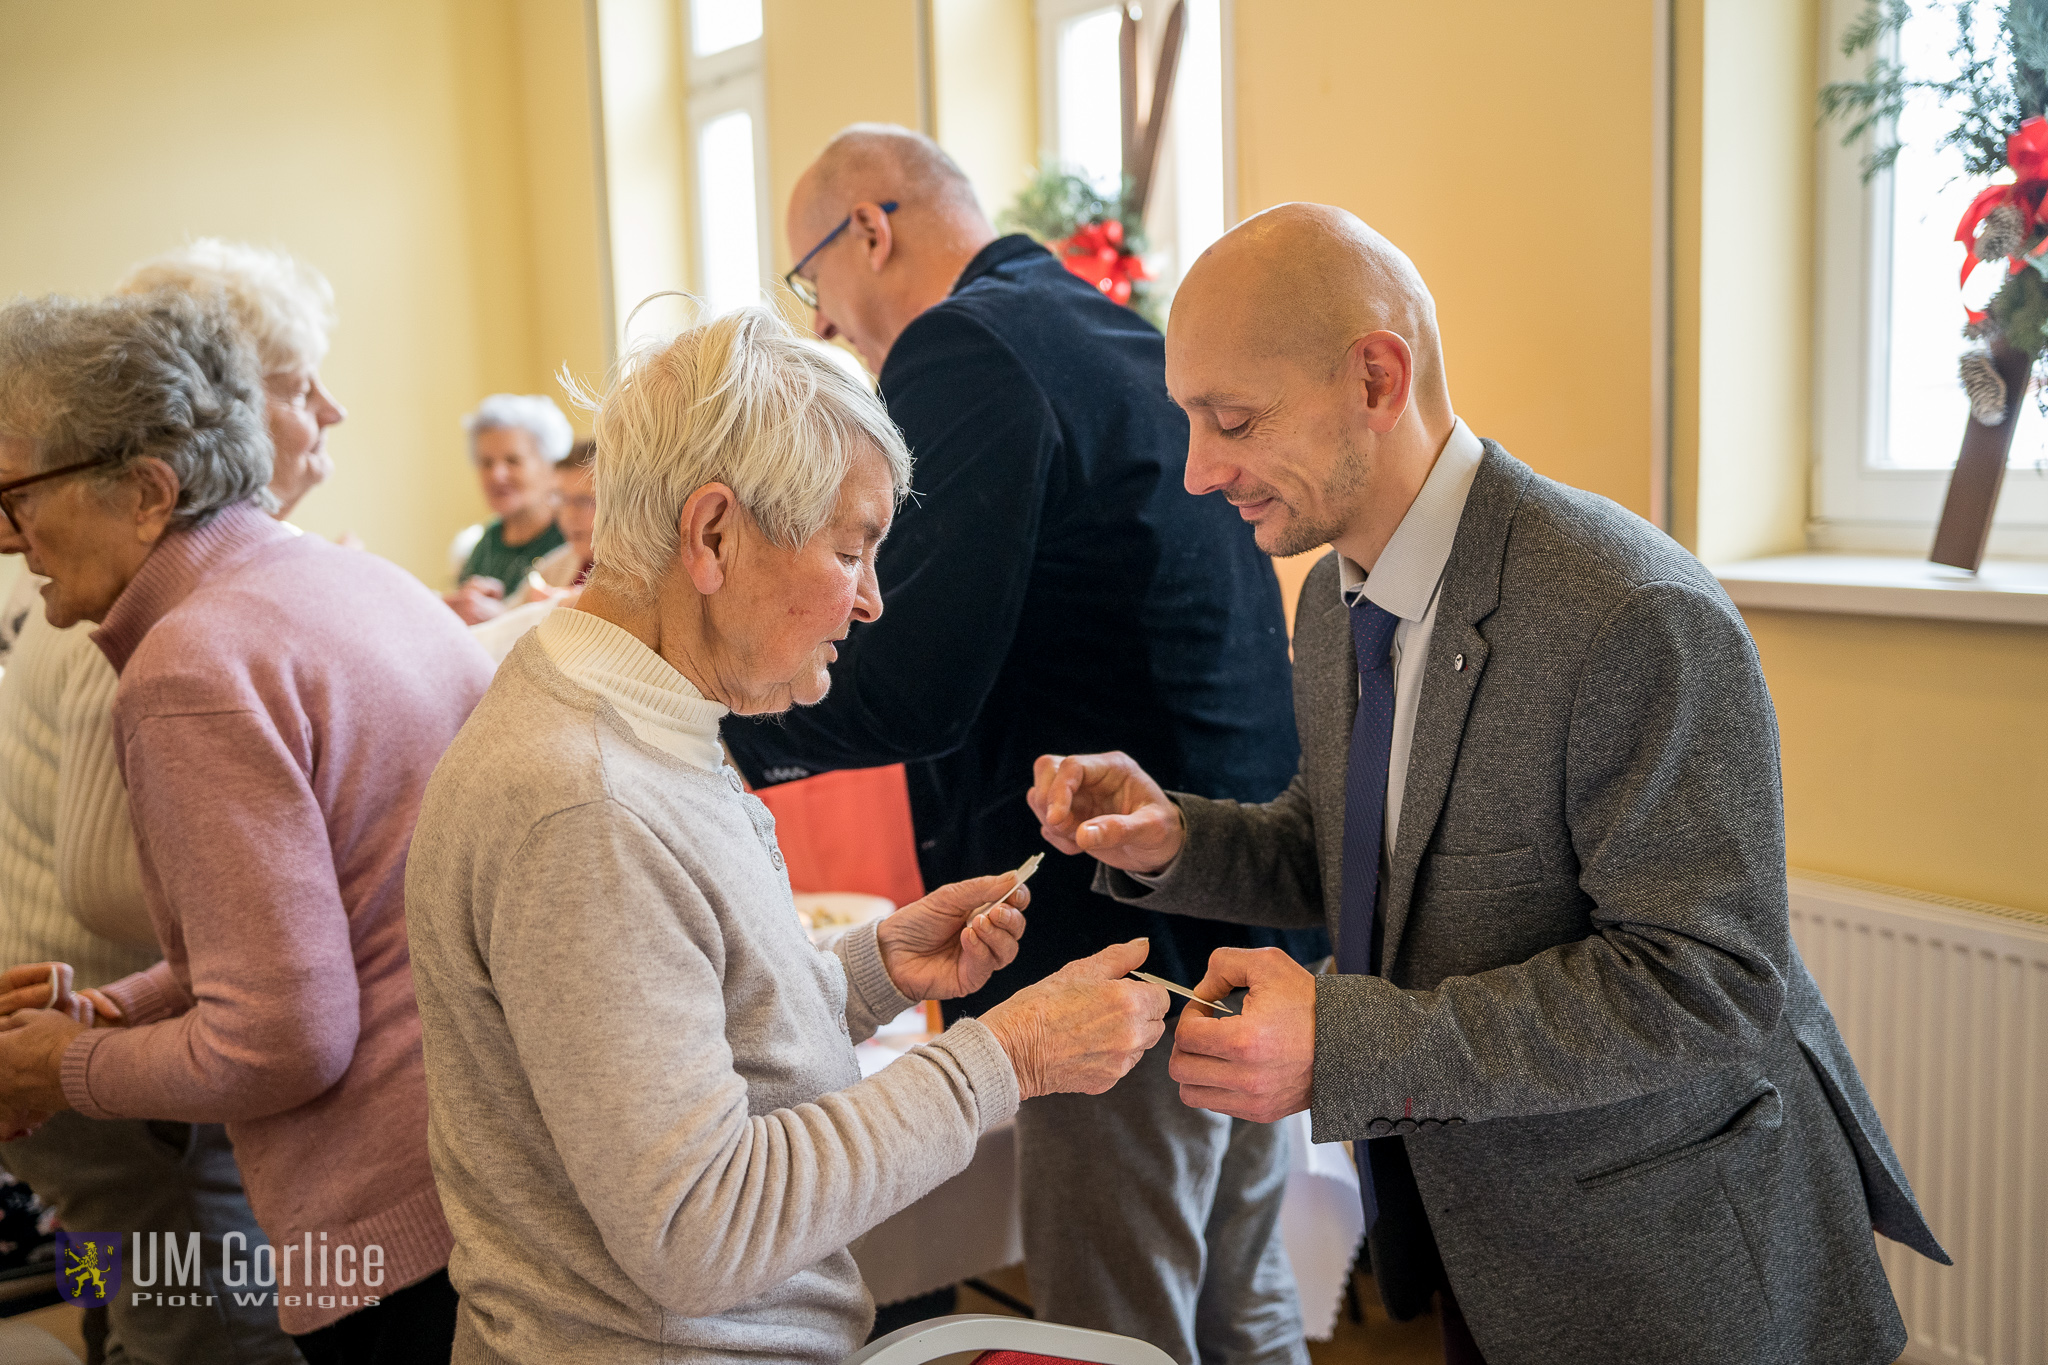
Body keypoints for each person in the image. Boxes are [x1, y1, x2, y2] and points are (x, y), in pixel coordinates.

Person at [1029, 204, 1951, 1365]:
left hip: (1660, 1265)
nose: (1199, 471)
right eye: (1187, 423)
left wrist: (1344, 1045)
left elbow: (1707, 985)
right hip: (1482, 1241)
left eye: (1234, 422)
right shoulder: (1332, 598)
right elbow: (1353, 853)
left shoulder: (1630, 612)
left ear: (1375, 376)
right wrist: (1171, 841)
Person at [404, 304, 1170, 1365]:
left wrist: (871, 971)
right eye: (851, 551)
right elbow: (701, 1228)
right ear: (712, 535)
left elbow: (688, 1036)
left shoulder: (637, 721)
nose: (871, 605)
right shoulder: (586, 806)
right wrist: (1004, 1058)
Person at [718, 123, 1324, 1365]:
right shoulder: (1105, 328)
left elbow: (916, 680)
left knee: (1117, 1319)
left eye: (809, 285)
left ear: (869, 231)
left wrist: (707, 726)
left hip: (1114, 926)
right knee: (1240, 1297)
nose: (823, 326)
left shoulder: (961, 346)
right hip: (1244, 900)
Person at [0, 290, 494, 1361]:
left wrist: (57, 1070)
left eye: (16, 495)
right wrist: (110, 1012)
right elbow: (321, 917)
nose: (9, 537)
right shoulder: (349, 577)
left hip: (389, 1224)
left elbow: (279, 1038)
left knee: (189, 1328)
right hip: (483, 1172)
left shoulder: (188, 667)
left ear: (145, 491)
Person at [0, 239, 341, 1365]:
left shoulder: (204, 594)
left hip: (103, 1048)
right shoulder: (139, 623)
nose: (321, 411)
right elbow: (110, 888)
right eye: (293, 385)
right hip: (101, 1059)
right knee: (206, 1328)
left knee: (144, 1298)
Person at [444, 394, 571, 624]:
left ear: (550, 467)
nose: (497, 475)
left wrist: (503, 617)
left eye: (513, 461)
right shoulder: (486, 544)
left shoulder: (572, 538)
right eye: (486, 463)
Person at [467, 439, 597, 664]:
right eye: (562, 499)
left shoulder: (639, 577)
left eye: (584, 500)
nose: (568, 515)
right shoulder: (556, 564)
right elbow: (509, 616)